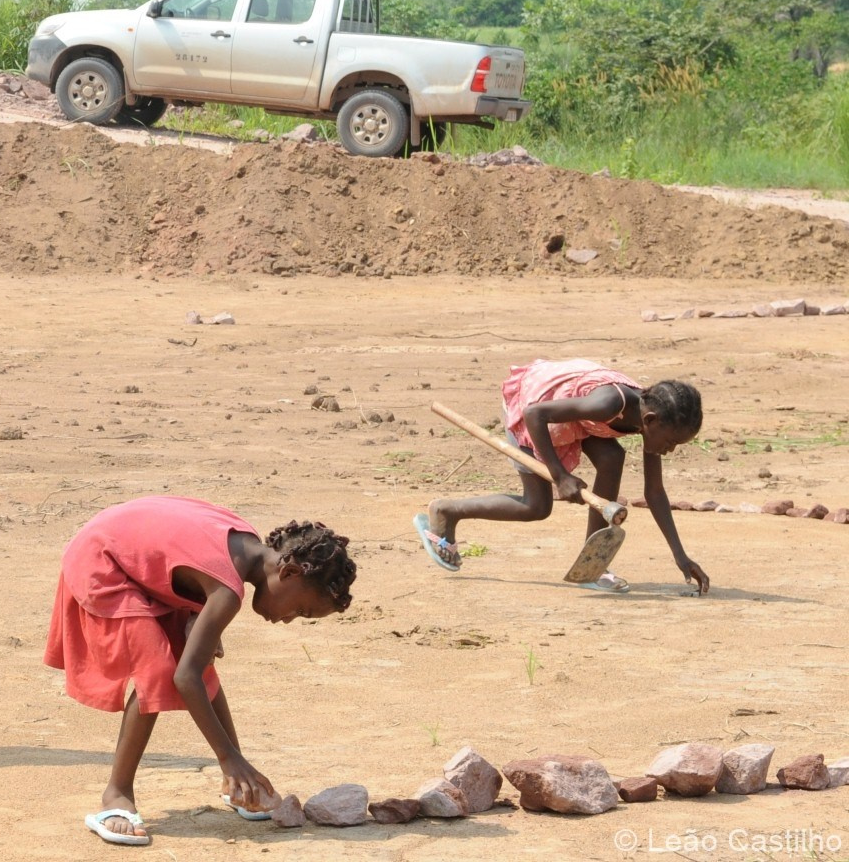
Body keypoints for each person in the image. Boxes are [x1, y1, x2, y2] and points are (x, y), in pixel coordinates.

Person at [44, 495, 356, 847]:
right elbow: (184, 679)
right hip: (102, 559)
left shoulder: (246, 547)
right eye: (300, 609)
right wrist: (228, 758)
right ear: (290, 572)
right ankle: (116, 793)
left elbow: (184, 556)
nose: (287, 620)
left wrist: (200, 621)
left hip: (133, 557)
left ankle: (239, 786)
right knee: (160, 670)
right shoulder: (227, 591)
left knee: (199, 657)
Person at [415, 358, 708, 594]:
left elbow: (654, 493)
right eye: (670, 442)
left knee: (612, 456)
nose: (669, 451)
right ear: (650, 421)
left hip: (573, 414)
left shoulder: (651, 414)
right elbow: (535, 415)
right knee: (536, 506)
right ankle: (447, 511)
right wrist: (560, 475)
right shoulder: (609, 404)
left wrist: (680, 556)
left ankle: (592, 564)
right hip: (534, 403)